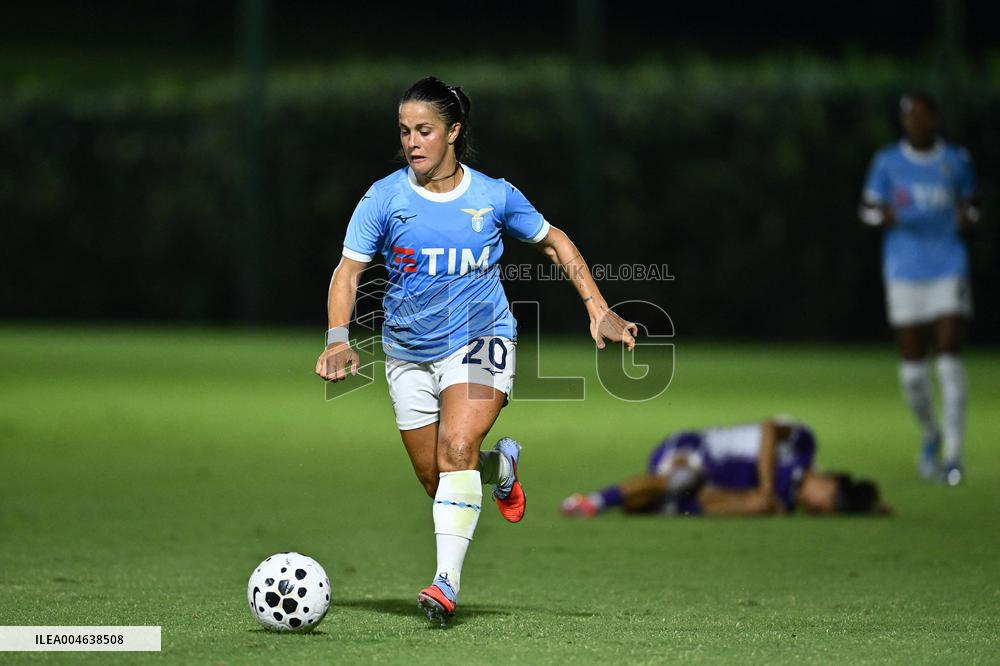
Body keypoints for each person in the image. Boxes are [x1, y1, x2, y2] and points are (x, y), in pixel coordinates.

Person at [314, 76, 637, 624]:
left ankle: (445, 584)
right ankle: (501, 466)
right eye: (404, 131)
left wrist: (598, 308)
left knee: (457, 447)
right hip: (407, 351)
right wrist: (338, 338)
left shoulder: (493, 195)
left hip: (483, 337)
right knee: (436, 478)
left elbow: (554, 241)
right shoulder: (384, 197)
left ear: (453, 132)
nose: (412, 141)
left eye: (424, 130)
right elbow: (348, 272)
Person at [858, 92, 978, 487]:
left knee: (948, 359)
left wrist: (968, 216)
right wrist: (883, 216)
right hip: (904, 270)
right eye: (909, 116)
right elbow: (867, 209)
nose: (915, 122)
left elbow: (972, 203)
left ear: (934, 118)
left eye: (922, 115)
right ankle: (931, 433)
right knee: (912, 372)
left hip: (948, 267)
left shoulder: (955, 160)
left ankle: (953, 456)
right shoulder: (887, 162)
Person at [561, 420, 888, 517]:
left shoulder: (784, 501)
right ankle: (591, 503)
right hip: (699, 448)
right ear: (832, 479)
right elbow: (770, 428)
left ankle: (671, 508)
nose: (817, 504)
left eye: (825, 509)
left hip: (707, 487)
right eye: (829, 497)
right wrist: (766, 487)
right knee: (681, 478)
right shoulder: (804, 445)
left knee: (760, 506)